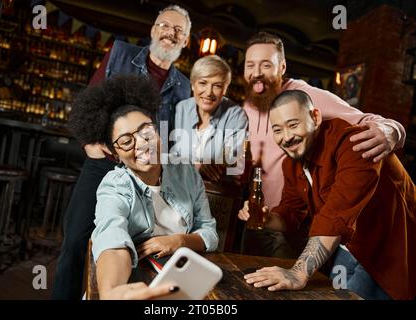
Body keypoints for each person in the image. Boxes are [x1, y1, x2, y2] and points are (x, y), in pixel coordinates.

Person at [52, 5, 192, 299]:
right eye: (165, 25)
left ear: (186, 41)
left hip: (143, 179)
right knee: (76, 240)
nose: (171, 33)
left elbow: (176, 141)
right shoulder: (120, 54)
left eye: (179, 30)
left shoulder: (184, 87)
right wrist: (89, 145)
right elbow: (87, 101)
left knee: (129, 249)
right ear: (153, 30)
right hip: (104, 164)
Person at [240, 31, 407, 258]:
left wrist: (391, 131)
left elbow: (367, 120)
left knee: (288, 286)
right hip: (263, 216)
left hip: (297, 223)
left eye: (266, 65)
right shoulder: (248, 105)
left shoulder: (307, 97)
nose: (256, 73)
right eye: (250, 65)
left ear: (282, 67)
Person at [238, 90, 415, 300]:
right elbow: (290, 215)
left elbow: (335, 216)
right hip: (346, 247)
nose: (286, 137)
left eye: (293, 125)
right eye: (277, 130)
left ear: (315, 117)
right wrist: (265, 219)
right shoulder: (292, 163)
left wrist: (297, 273)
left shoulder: (354, 143)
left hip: (391, 250)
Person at [70, 75, 218, 299]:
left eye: (145, 131)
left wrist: (177, 241)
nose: (141, 143)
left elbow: (208, 232)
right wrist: (112, 291)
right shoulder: (115, 186)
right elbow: (111, 235)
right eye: (126, 141)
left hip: (182, 280)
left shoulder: (185, 171)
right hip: (134, 284)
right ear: (115, 153)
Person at [172, 55, 248, 182]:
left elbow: (232, 166)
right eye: (202, 83)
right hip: (178, 187)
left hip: (215, 193)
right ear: (192, 85)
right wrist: (196, 166)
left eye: (217, 86)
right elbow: (166, 157)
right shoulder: (181, 109)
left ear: (225, 89)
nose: (209, 92)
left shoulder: (236, 115)